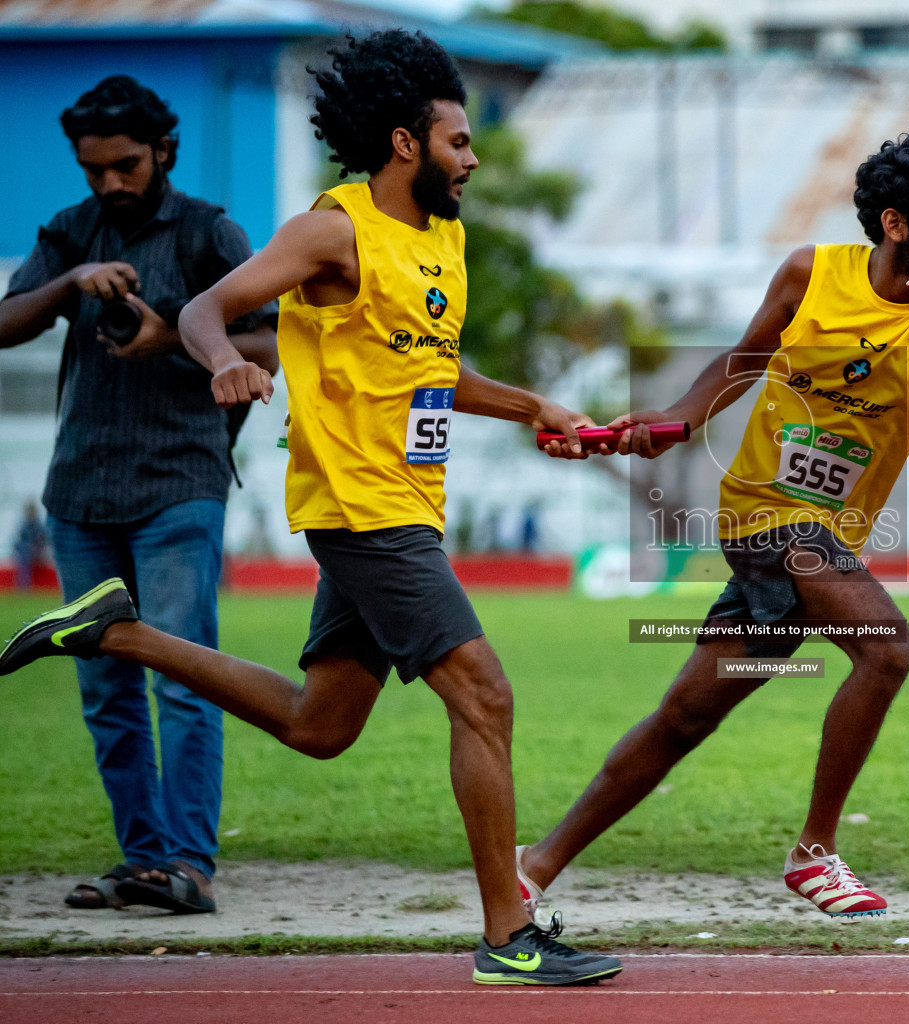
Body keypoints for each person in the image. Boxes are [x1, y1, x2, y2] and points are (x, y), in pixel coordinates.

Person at [0, 30, 619, 986]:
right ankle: (508, 937)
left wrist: (535, 405)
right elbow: (207, 308)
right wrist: (229, 361)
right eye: (459, 141)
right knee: (485, 695)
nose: (474, 157)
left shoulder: (441, 239)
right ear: (407, 145)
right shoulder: (332, 230)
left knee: (319, 726)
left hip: (403, 503)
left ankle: (118, 635)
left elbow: (429, 367)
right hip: (360, 508)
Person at [517, 135, 909, 920]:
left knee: (687, 714)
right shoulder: (810, 274)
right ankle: (814, 853)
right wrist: (678, 422)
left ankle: (533, 865)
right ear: (894, 223)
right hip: (765, 513)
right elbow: (745, 359)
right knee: (886, 650)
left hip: (831, 535)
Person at [0, 76, 279, 914]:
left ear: (163, 151)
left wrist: (169, 338)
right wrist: (69, 283)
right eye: (93, 170)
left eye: (125, 165)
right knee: (102, 686)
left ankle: (188, 864)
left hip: (180, 483)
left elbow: (278, 336)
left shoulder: (206, 231)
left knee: (183, 669)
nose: (110, 184)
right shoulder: (69, 231)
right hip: (80, 489)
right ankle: (143, 860)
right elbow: (7, 320)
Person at [10, 502, 49, 590]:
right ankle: (24, 584)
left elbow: (42, 541)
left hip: (36, 552)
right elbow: (19, 540)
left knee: (25, 551)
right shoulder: (24, 524)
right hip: (26, 553)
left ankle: (24, 585)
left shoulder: (38, 525)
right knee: (24, 550)